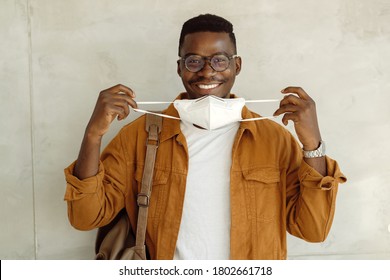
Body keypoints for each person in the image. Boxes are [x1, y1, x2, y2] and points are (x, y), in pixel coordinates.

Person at [64, 14, 346, 260]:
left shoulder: (274, 139)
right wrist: (93, 134)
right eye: (194, 60)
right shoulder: (140, 136)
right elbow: (86, 217)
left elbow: (312, 230)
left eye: (220, 60)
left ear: (237, 65)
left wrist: (313, 146)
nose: (208, 71)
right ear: (179, 67)